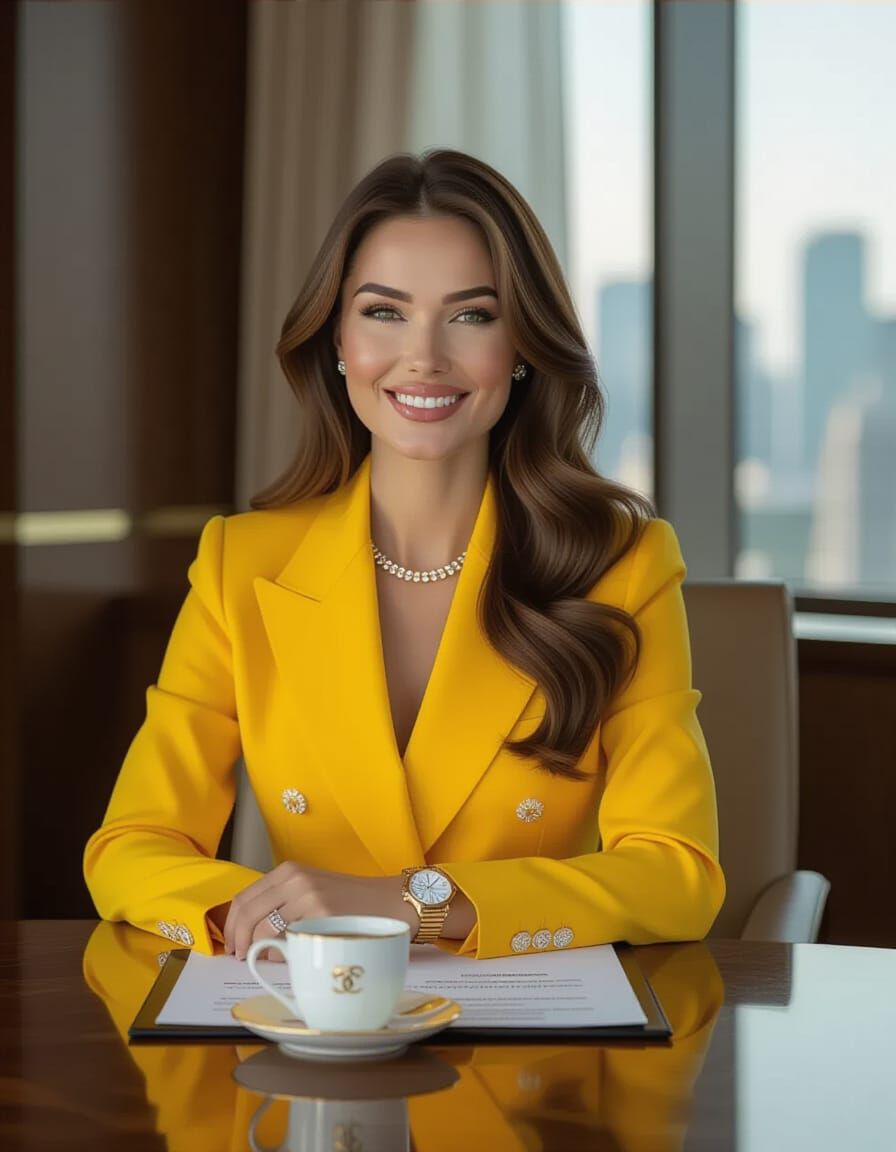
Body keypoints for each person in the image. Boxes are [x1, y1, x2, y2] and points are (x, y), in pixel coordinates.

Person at [83, 149, 725, 962]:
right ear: (338, 338)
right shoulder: (239, 565)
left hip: (537, 1051)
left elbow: (678, 874)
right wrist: (260, 916)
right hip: (312, 1026)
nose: (424, 356)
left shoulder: (623, 563)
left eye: (472, 315)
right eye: (384, 311)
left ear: (523, 344)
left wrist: (409, 904)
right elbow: (131, 845)